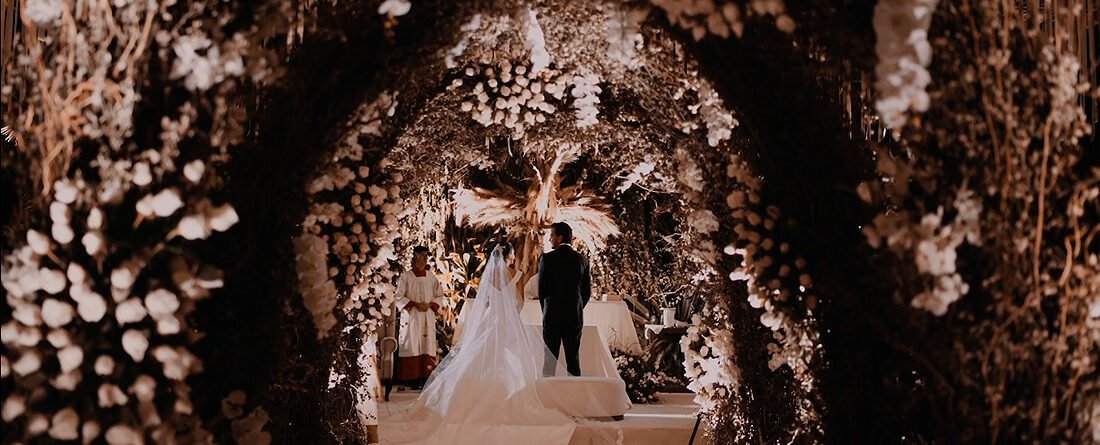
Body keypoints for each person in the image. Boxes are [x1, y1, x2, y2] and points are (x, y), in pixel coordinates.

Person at [380, 243, 580, 444]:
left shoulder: (488, 277)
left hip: (489, 322)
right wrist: (509, 316)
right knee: (512, 362)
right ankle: (506, 398)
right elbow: (519, 303)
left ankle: (475, 399)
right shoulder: (517, 275)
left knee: (480, 360)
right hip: (509, 325)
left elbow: (484, 304)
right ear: (509, 256)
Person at [537, 222, 591, 377]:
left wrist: (546, 310)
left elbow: (542, 291)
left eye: (551, 236)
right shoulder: (582, 260)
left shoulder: (547, 259)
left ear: (560, 237)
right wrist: (577, 307)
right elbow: (586, 292)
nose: (549, 240)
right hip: (574, 315)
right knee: (573, 361)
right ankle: (574, 398)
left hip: (552, 314)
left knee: (549, 361)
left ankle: (548, 397)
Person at [393, 245, 446, 389]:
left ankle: (425, 378)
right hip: (412, 316)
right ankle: (410, 380)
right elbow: (398, 297)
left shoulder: (431, 277)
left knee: (426, 344)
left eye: (426, 255)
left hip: (427, 315)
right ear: (414, 257)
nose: (424, 258)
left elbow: (439, 295)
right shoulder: (406, 276)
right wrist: (414, 303)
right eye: (421, 255)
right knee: (412, 344)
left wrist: (431, 305)